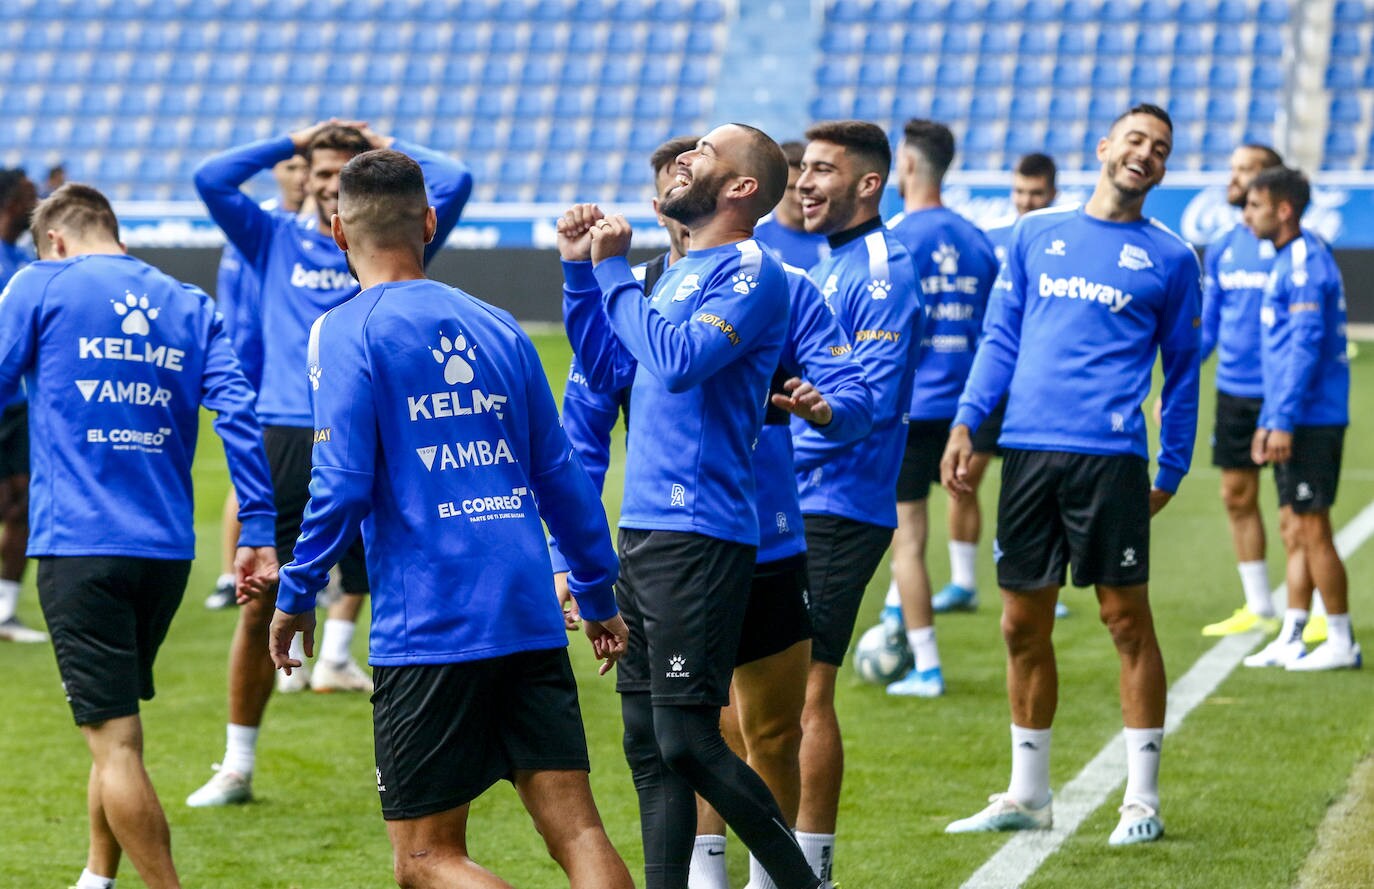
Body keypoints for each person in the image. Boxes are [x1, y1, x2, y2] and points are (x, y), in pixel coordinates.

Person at [265, 148, 632, 889]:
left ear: (338, 232)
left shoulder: (343, 330)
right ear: (429, 223)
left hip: (431, 620)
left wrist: (297, 591)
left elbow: (338, 485)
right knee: (580, 830)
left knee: (425, 858)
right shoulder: (497, 324)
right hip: (527, 608)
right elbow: (560, 477)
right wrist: (597, 594)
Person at [553, 136, 873, 889]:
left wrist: (830, 411)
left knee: (752, 729)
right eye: (679, 158)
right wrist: (580, 275)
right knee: (659, 739)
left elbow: (850, 394)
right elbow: (602, 384)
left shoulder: (769, 277)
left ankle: (790, 881)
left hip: (748, 537)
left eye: (702, 152)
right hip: (658, 536)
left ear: (737, 187)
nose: (685, 164)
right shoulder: (647, 287)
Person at [0, 183, 276, 889]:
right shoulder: (190, 304)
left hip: (78, 546)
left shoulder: (39, 283)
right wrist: (260, 531)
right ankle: (97, 875)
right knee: (117, 729)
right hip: (165, 553)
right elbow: (240, 415)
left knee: (115, 743)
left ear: (55, 240)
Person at [188, 120, 472, 805]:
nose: (325, 187)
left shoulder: (390, 238)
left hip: (384, 426)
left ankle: (409, 762)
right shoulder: (271, 236)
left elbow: (456, 180)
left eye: (340, 175)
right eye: (316, 174)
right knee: (262, 602)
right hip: (289, 431)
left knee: (405, 594)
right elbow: (210, 178)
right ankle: (236, 763)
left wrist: (383, 142)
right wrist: (292, 139)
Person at [942, 104, 1201, 846]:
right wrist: (967, 418)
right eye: (1134, 140)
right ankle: (1029, 792)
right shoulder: (1033, 235)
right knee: (1021, 624)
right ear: (1104, 148)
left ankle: (1141, 800)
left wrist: (1173, 465)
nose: (1145, 154)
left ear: (1162, 167)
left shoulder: (1173, 258)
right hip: (1026, 451)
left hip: (1111, 459)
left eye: (1159, 149)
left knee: (1127, 622)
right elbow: (1000, 336)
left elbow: (1181, 375)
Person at [791, 120, 923, 883]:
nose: (804, 183)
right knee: (761, 693)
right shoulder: (832, 263)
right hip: (800, 498)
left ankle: (812, 866)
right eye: (803, 169)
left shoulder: (878, 269)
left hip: (837, 503)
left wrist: (766, 453)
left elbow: (861, 403)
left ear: (869, 185)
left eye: (822, 171)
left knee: (808, 690)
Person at [879, 119, 998, 697]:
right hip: (967, 410)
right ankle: (898, 618)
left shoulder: (896, 238)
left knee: (909, 539)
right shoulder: (977, 239)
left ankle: (925, 665)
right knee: (948, 514)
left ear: (906, 166)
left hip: (912, 408)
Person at [925, 153, 1059, 618]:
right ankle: (963, 582)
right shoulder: (992, 240)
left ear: (1052, 194)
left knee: (1039, 486)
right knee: (965, 478)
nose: (1026, 201)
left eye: (1036, 193)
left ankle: (1045, 581)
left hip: (1041, 385)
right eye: (1020, 192)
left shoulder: (1063, 241)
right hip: (993, 380)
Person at [1240, 167, 1358, 672]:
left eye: (1255, 205)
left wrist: (1282, 419)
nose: (1247, 215)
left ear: (1283, 209)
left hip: (1311, 419)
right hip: (1292, 415)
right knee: (1293, 526)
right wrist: (1270, 419)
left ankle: (1340, 639)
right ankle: (1292, 633)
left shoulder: (1306, 263)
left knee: (1312, 528)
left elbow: (1305, 348)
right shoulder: (1290, 258)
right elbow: (1283, 351)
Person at [204, 154, 308, 614]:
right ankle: (232, 573)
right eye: (292, 167)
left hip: (296, 376)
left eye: (309, 167)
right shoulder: (262, 230)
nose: (302, 176)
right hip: (262, 373)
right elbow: (239, 307)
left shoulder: (321, 229)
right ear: (276, 173)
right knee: (251, 476)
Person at [1197, 145, 1288, 638]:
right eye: (1231, 169)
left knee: (1298, 509)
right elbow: (1209, 325)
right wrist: (1181, 378)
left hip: (1282, 397)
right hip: (1234, 393)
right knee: (1236, 495)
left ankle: (1310, 609)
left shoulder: (1289, 245)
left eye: (1244, 171)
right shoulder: (1225, 245)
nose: (1233, 179)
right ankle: (1259, 605)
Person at [0, 169, 41, 642]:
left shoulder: (22, 259)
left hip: (18, 405)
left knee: (22, 505)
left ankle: (5, 612)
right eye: (31, 197)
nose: (38, 204)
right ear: (11, 202)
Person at [754, 140, 830, 270]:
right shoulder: (753, 236)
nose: (799, 199)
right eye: (791, 188)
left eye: (807, 188)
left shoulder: (837, 233)